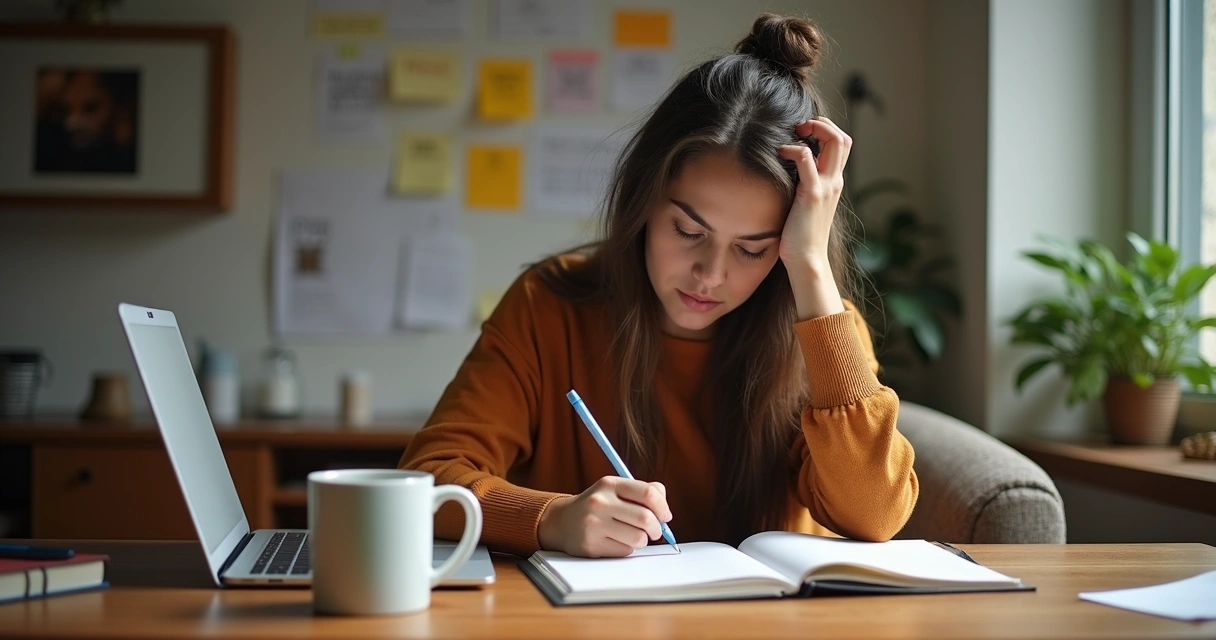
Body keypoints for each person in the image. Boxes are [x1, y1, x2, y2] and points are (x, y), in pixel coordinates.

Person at [399, 13, 918, 558]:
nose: (710, 274)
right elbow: (428, 479)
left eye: (752, 249)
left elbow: (876, 514)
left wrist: (811, 267)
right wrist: (550, 517)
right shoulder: (548, 306)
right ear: (645, 200)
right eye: (688, 230)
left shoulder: (824, 332)